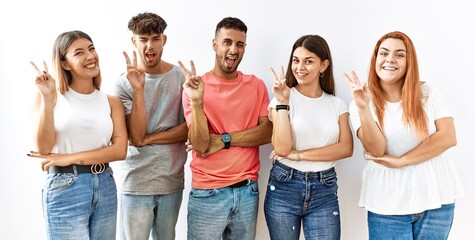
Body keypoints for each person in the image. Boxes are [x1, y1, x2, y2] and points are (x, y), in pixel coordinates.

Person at [343, 31, 464, 239]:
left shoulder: (428, 93)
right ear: (375, 59)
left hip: (437, 199)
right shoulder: (359, 103)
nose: (390, 59)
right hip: (388, 202)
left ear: (410, 62)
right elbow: (376, 150)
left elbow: (448, 136)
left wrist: (402, 161)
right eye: (384, 53)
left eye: (399, 55)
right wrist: (364, 108)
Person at [179, 16, 272, 240]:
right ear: (214, 44)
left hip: (247, 191)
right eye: (227, 42)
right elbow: (201, 144)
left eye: (240, 44)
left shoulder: (256, 85)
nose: (233, 50)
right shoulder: (195, 87)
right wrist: (197, 102)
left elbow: (266, 133)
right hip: (207, 193)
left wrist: (224, 139)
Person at [28, 30, 128, 240]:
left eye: (91, 49)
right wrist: (47, 100)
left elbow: (119, 151)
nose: (90, 56)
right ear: (65, 64)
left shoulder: (112, 102)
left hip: (105, 184)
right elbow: (44, 150)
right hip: (65, 187)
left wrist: (68, 158)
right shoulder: (51, 97)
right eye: (79, 52)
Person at [264, 35, 353, 240]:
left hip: (324, 189)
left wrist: (299, 155)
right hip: (284, 187)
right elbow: (282, 148)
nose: (300, 67)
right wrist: (283, 103)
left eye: (308, 61)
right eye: (296, 60)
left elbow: (346, 148)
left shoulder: (337, 105)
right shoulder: (281, 98)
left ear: (324, 65)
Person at [113, 12, 188, 240]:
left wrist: (149, 139)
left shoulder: (180, 77)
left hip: (171, 181)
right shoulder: (123, 83)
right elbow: (135, 136)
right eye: (143, 39)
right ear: (133, 42)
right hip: (136, 183)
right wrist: (138, 90)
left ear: (164, 40)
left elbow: (188, 129)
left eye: (155, 38)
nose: (149, 45)